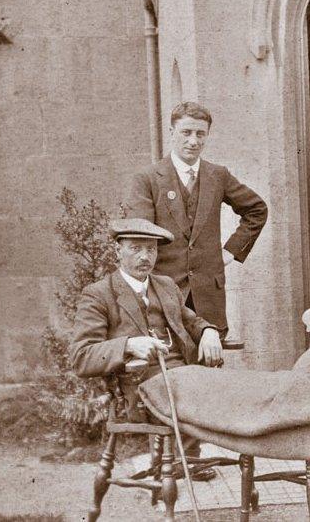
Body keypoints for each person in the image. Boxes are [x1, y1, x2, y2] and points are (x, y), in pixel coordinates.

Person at [69, 218, 223, 481]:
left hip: (183, 375)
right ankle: (177, 461)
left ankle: (185, 459)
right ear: (118, 250)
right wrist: (128, 345)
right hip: (136, 385)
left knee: (230, 388)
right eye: (136, 248)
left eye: (151, 250)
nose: (145, 257)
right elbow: (81, 357)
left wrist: (209, 331)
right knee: (189, 389)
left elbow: (190, 321)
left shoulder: (165, 285)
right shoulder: (99, 294)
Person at [126, 102, 268, 337]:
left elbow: (257, 209)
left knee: (210, 366)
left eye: (200, 134)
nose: (193, 141)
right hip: (164, 294)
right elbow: (142, 236)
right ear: (172, 133)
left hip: (209, 299)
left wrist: (230, 252)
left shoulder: (217, 175)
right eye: (186, 132)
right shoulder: (148, 179)